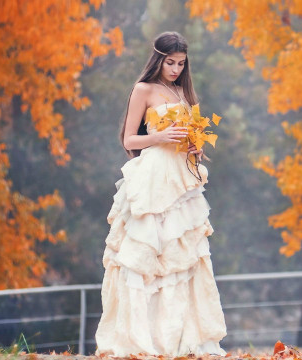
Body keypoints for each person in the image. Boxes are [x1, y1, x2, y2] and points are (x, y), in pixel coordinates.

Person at [95, 31, 227, 357]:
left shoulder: (183, 92)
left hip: (181, 177)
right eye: (170, 62)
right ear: (158, 58)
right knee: (146, 257)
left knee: (182, 257)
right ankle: (141, 342)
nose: (176, 69)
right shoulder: (144, 90)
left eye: (181, 63)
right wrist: (162, 135)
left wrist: (195, 146)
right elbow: (129, 140)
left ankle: (179, 340)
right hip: (153, 176)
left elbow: (191, 137)